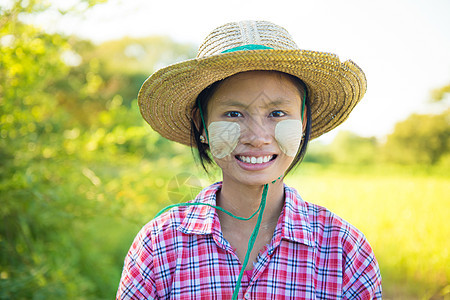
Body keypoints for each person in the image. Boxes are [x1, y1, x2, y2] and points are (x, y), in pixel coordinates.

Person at [117, 20, 382, 299]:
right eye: (233, 114)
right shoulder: (159, 245)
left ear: (303, 122)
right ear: (202, 124)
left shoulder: (344, 250)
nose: (257, 138)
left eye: (277, 113)